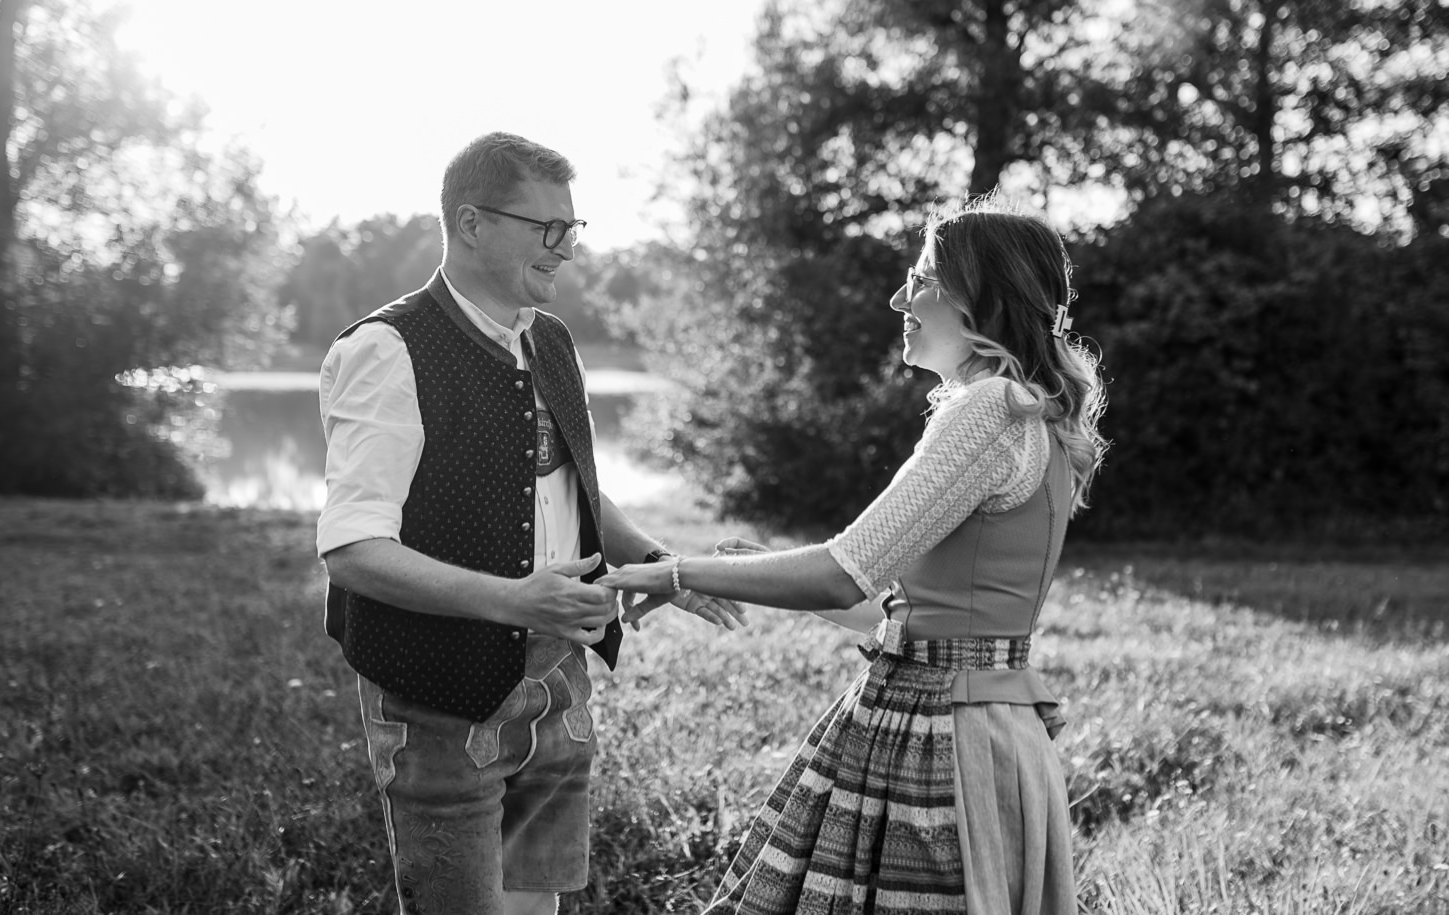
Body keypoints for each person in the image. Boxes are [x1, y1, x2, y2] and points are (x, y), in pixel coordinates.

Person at [602, 197, 1107, 914]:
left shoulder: (990, 408)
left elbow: (843, 574)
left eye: (924, 280)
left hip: (944, 736)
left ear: (982, 299)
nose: (900, 297)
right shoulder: (1035, 413)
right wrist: (763, 570)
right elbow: (924, 618)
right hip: (986, 723)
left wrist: (675, 569)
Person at [316, 131, 744, 915]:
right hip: (435, 690)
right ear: (471, 223)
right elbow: (353, 551)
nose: (565, 249)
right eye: (546, 228)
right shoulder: (387, 350)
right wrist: (518, 600)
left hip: (558, 679)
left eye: (571, 229)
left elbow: (576, 489)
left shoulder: (551, 340)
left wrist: (661, 565)